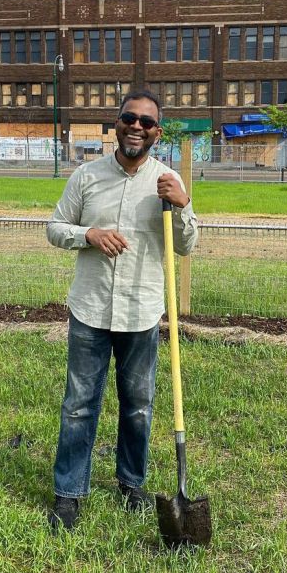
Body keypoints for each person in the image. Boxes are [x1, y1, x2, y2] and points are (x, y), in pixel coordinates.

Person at [45, 90, 199, 531]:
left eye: (146, 122)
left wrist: (184, 206)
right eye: (129, 118)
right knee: (79, 404)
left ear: (157, 132)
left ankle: (132, 484)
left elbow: (187, 247)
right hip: (90, 310)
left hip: (141, 311)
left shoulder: (167, 182)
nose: (136, 127)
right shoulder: (87, 177)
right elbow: (54, 228)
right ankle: (69, 492)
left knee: (138, 406)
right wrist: (88, 235)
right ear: (116, 123)